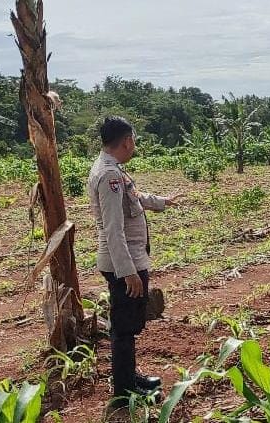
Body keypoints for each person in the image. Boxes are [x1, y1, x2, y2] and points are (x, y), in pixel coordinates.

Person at [87, 116, 177, 408]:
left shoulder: (111, 169)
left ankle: (129, 377)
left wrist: (162, 201)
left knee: (127, 324)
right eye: (134, 141)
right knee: (124, 328)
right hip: (123, 263)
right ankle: (124, 392)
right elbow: (113, 229)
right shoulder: (110, 176)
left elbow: (134, 197)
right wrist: (128, 273)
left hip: (126, 259)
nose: (134, 146)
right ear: (127, 141)